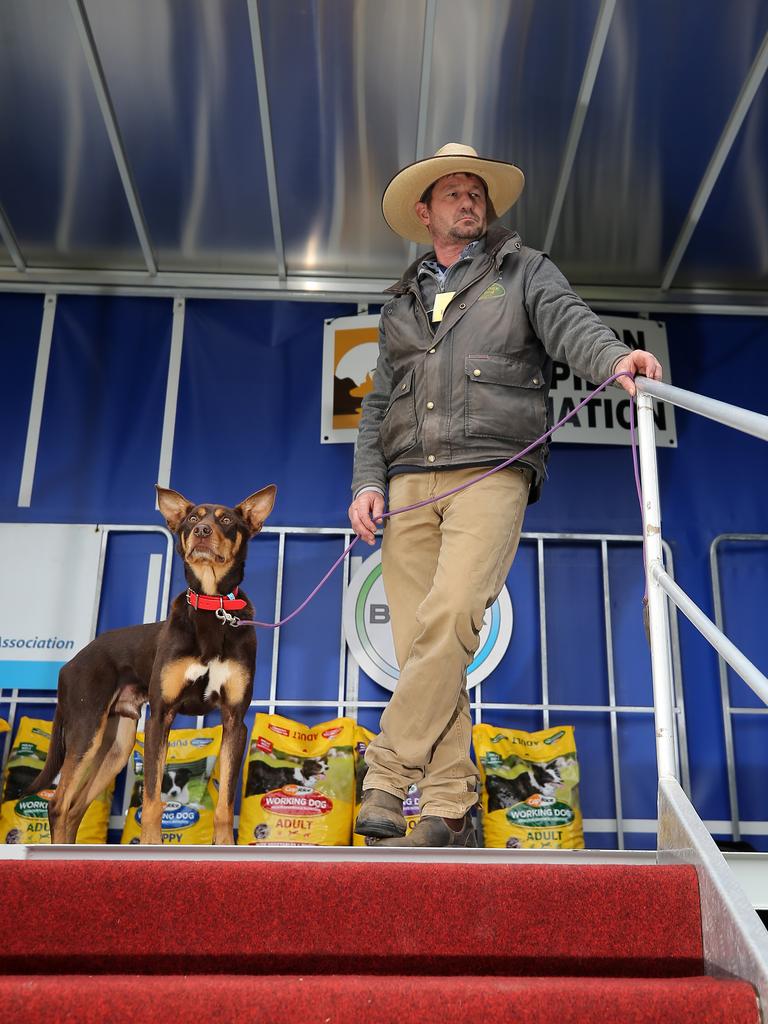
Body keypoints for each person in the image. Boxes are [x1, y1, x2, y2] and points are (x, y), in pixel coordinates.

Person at [348, 143, 661, 847]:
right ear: (424, 213)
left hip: (493, 470)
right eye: (453, 192)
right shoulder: (400, 302)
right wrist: (368, 482)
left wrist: (613, 357)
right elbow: (376, 406)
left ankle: (389, 774)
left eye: (476, 191)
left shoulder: (524, 270)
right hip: (405, 482)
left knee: (454, 614)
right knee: (420, 644)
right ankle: (451, 801)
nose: (469, 200)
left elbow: (570, 321)